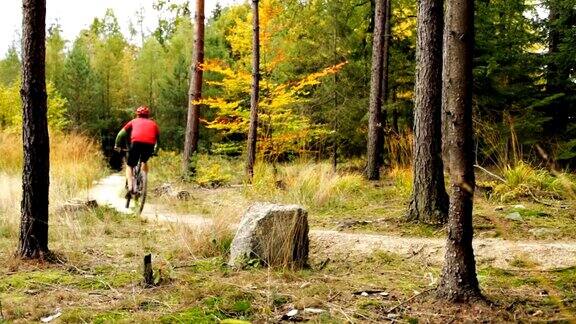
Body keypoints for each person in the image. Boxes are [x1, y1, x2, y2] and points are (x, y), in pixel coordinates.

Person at [114, 105, 160, 196]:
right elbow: (158, 140)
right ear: (148, 115)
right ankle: (144, 178)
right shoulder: (154, 124)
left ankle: (131, 187)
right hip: (149, 145)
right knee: (144, 161)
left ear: (137, 115)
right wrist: (155, 151)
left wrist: (117, 145)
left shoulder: (133, 122)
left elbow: (120, 135)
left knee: (130, 165)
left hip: (136, 144)